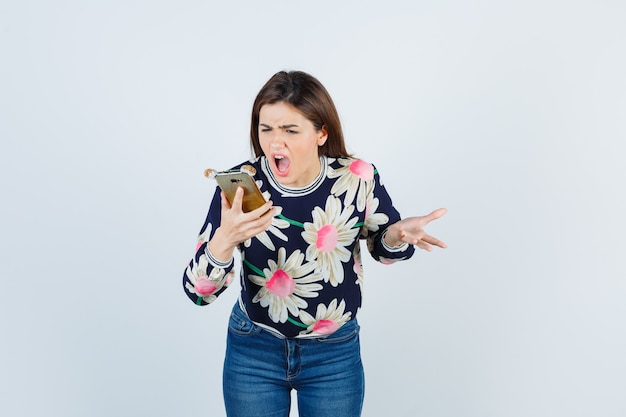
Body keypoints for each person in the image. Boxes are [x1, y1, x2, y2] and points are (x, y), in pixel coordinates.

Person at [182, 70, 447, 417]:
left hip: (333, 354)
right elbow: (198, 293)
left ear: (322, 132)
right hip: (253, 350)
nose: (276, 143)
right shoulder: (240, 187)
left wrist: (396, 235)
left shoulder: (357, 179)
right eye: (267, 130)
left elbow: (383, 247)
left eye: (291, 130)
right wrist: (225, 239)